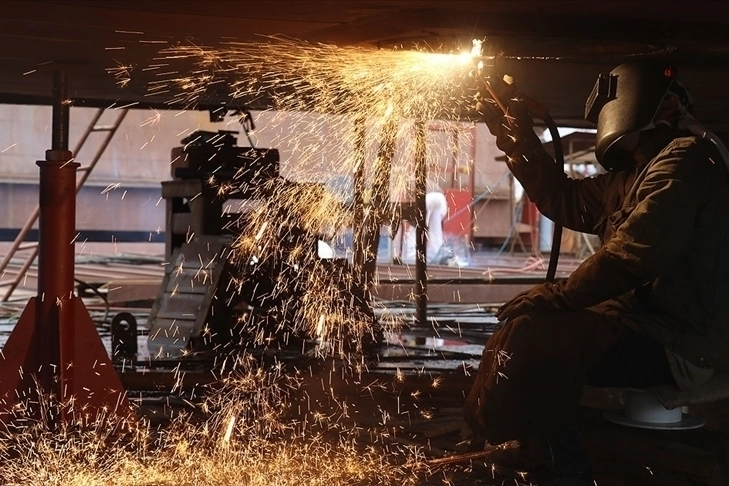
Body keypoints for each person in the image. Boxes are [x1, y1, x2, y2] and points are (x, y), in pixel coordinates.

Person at [464, 61, 729, 485]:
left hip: (675, 341)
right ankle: (507, 442)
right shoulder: (633, 174)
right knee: (521, 328)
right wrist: (517, 139)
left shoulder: (688, 160)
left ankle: (564, 472)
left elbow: (634, 255)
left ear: (663, 108)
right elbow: (563, 197)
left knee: (537, 338)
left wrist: (559, 295)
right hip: (635, 325)